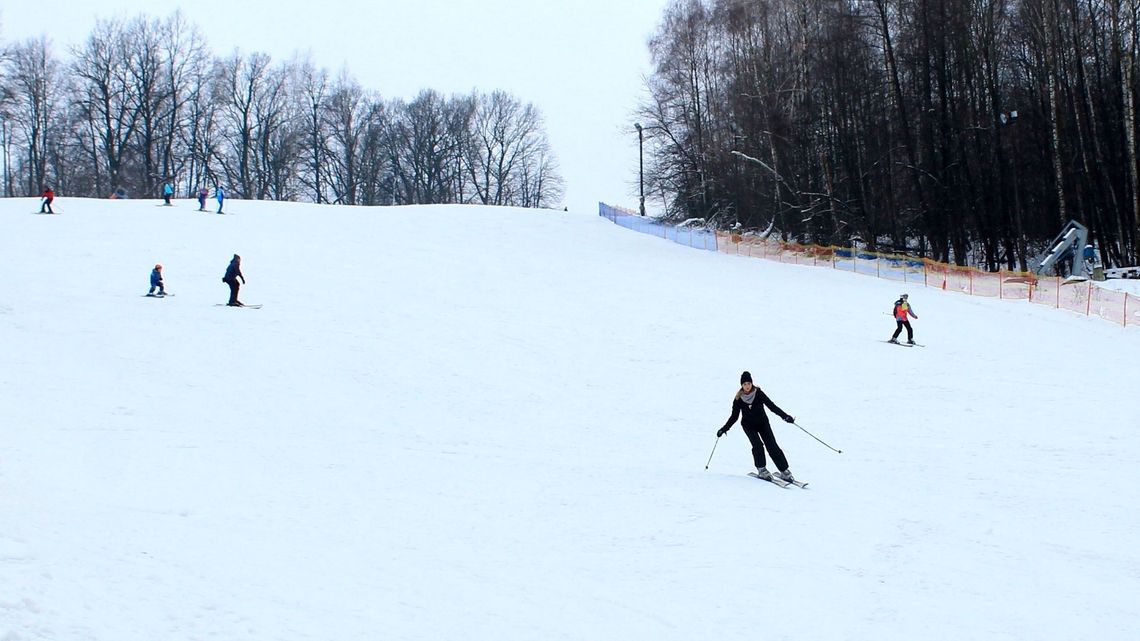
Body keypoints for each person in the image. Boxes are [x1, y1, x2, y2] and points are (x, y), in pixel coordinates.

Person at [716, 371, 797, 482]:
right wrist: (724, 429)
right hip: (749, 426)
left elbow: (771, 406)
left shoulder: (758, 393)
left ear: (752, 383)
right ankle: (762, 469)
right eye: (744, 384)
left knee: (772, 445)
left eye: (749, 383)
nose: (747, 386)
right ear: (741, 385)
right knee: (758, 445)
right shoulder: (738, 399)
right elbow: (734, 417)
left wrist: (785, 416)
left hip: (763, 424)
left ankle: (784, 471)